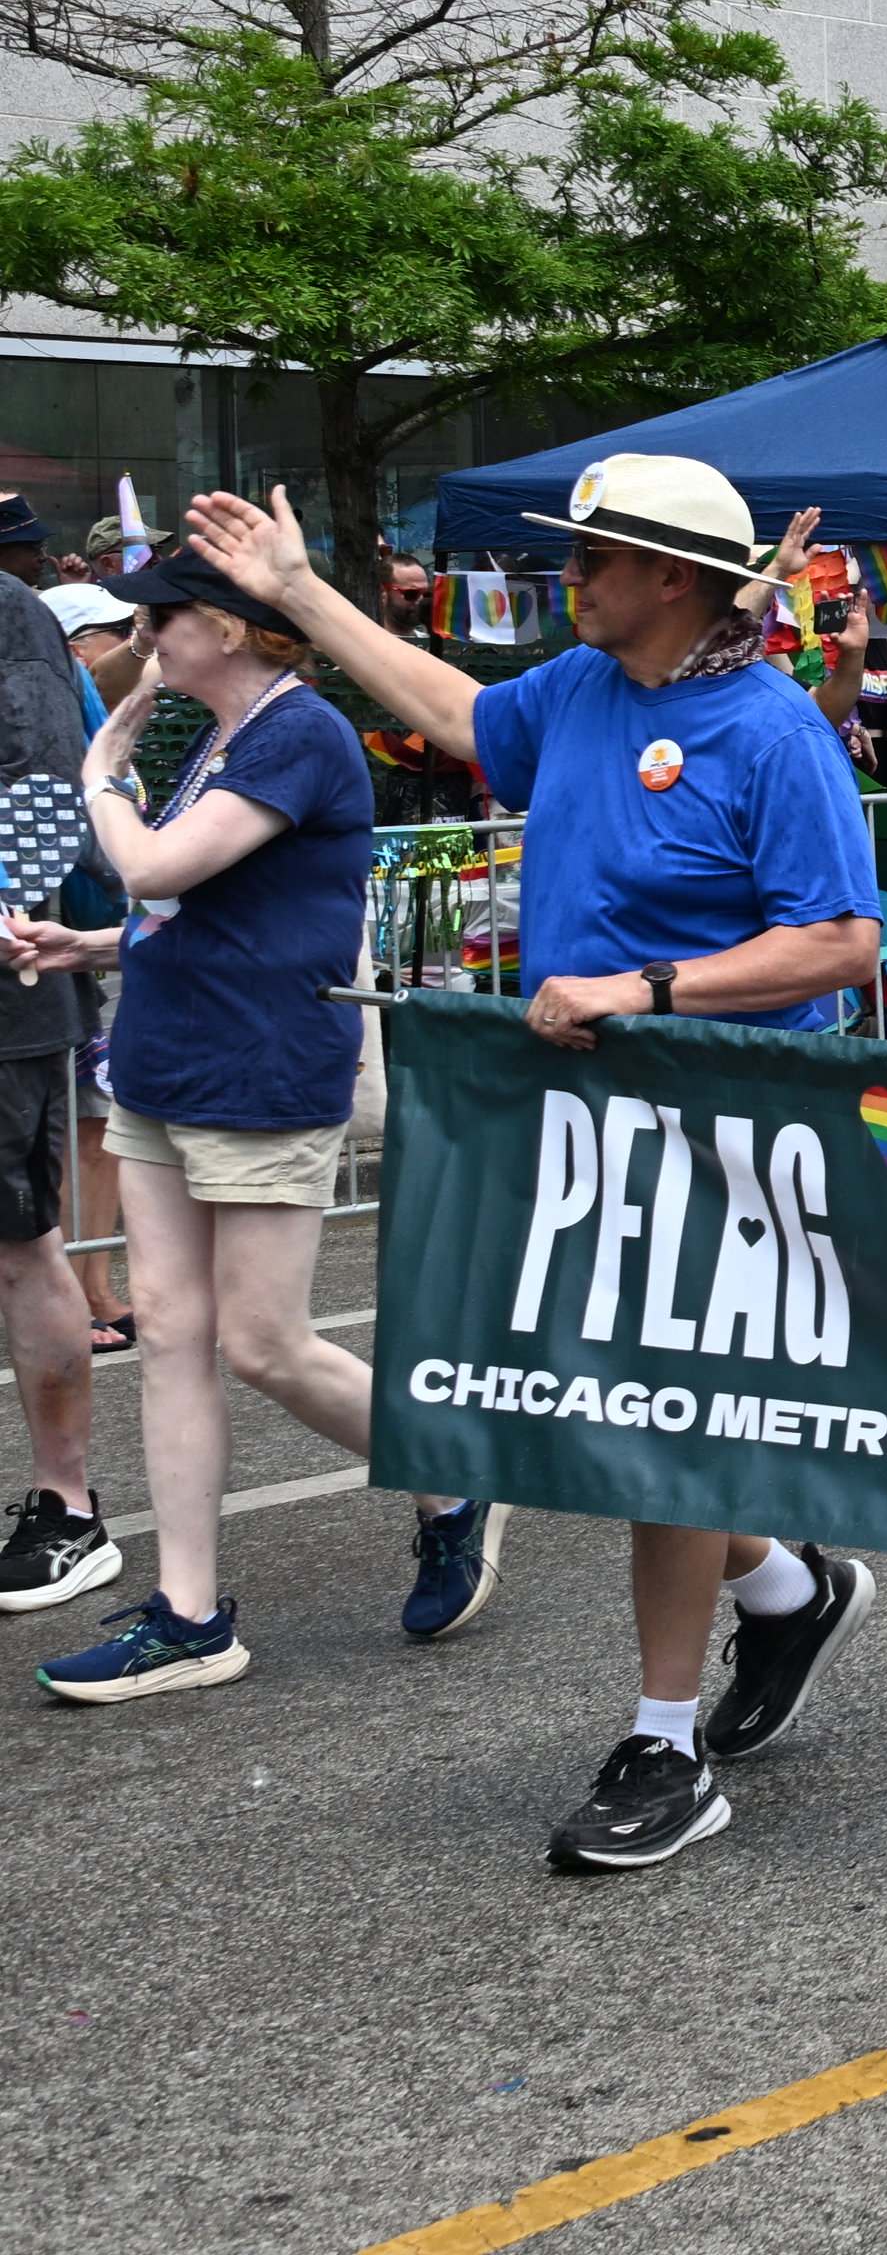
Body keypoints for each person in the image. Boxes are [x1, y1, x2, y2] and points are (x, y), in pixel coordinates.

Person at [181, 459, 882, 1873]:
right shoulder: (578, 690)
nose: (567, 576)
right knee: (612, 1419)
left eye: (590, 557)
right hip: (582, 1129)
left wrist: (644, 989)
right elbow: (454, 711)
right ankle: (786, 1589)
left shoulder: (772, 729)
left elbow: (842, 942)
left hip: (724, 1135)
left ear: (671, 577)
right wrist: (298, 591)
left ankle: (666, 1746)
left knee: (663, 1425)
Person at [9, 546, 504, 1699]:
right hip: (166, 1062)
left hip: (261, 1070)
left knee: (265, 1343)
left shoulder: (300, 733)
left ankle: (454, 1476)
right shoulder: (229, 739)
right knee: (174, 1335)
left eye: (163, 617)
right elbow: (201, 906)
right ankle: (189, 1617)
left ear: (229, 628)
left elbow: (154, 867)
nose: (145, 638)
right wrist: (87, 944)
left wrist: (100, 771)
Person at [0, 560, 138, 1618]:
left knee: (19, 1247)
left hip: (8, 991)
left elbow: (48, 795)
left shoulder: (10, 617)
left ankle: (68, 1509)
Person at [46, 581, 142, 1356]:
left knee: (97, 1121)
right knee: (68, 1124)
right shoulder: (59, 689)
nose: (136, 640)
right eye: (117, 629)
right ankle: (63, 1294)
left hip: (90, 935)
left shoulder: (93, 709)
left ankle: (94, 1286)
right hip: (59, 932)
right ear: (75, 647)